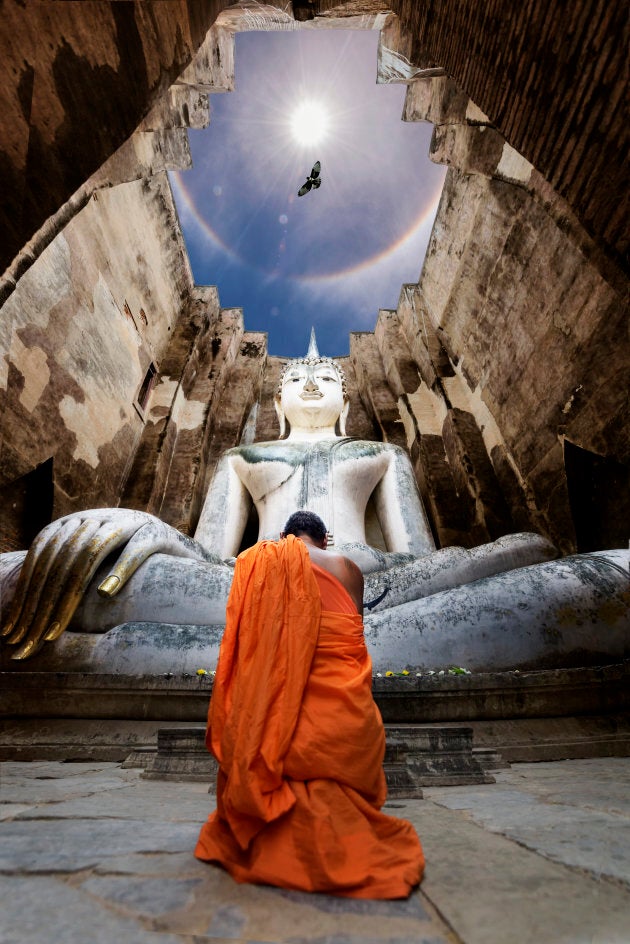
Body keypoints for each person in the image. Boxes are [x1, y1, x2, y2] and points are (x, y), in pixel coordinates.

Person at [0, 333, 557, 663]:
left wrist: (376, 571)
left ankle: (159, 653)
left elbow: (419, 556)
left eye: (325, 376)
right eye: (296, 376)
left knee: (528, 550)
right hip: (241, 584)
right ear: (277, 400)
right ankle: (375, 652)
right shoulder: (243, 459)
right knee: (57, 573)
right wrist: (149, 529)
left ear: (345, 401)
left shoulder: (381, 453)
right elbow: (206, 554)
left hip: (378, 585)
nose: (311, 381)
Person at [194, 510, 425, 898]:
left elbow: (255, 636)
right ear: (326, 540)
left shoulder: (261, 557)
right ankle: (342, 838)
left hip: (281, 715)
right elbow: (353, 632)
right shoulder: (350, 568)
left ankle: (273, 832)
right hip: (343, 713)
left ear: (283, 535)